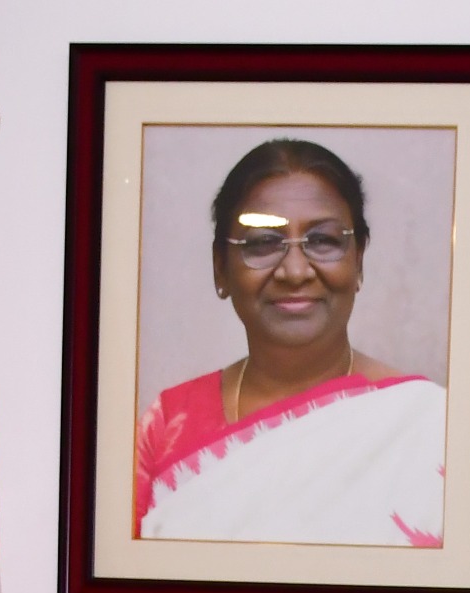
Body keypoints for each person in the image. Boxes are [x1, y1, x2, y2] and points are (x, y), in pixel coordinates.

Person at [135, 138, 445, 546]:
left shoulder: (430, 427)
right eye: (262, 243)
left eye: (323, 241)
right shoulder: (167, 426)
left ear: (358, 260)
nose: (295, 271)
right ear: (220, 268)